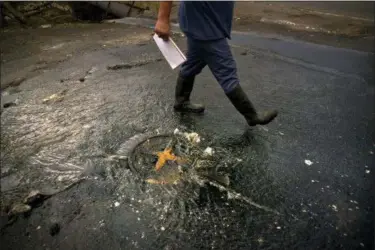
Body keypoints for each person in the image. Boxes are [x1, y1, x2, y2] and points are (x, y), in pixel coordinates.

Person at [154, 1, 278, 126]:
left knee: (192, 63)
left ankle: (181, 102)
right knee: (227, 73)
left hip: (201, 21)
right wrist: (163, 19)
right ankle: (252, 116)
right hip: (206, 26)